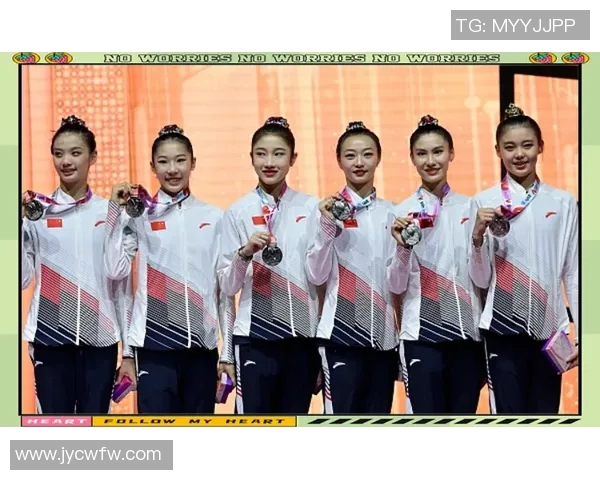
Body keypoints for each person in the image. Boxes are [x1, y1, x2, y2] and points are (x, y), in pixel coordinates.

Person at [104, 124, 235, 414]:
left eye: (180, 160)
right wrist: (115, 211)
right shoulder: (140, 215)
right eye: (163, 162)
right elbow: (115, 270)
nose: (172, 169)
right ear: (152, 167)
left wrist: (227, 354)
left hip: (202, 351)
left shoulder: (215, 217)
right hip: (154, 349)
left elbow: (224, 291)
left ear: (193, 163)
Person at [468, 104, 579, 414]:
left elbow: (573, 273)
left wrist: (583, 334)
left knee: (545, 417)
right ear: (498, 151)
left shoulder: (563, 202)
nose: (519, 154)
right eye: (510, 147)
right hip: (502, 330)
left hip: (550, 330)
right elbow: (479, 279)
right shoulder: (484, 201)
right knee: (507, 420)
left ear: (540, 147)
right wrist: (476, 238)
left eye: (527, 145)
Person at [21, 115, 132, 414]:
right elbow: (20, 280)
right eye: (58, 154)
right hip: (49, 339)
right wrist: (14, 225)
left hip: (100, 340)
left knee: (93, 428)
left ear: (92, 157)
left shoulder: (110, 210)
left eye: (75, 153)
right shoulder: (37, 213)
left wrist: (129, 350)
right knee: (54, 428)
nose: (66, 161)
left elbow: (119, 278)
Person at [217, 117, 322, 414]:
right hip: (254, 339)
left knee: (293, 427)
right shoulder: (237, 212)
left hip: (301, 339)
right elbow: (227, 285)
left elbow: (320, 277)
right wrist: (245, 253)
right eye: (261, 154)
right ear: (251, 157)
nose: (269, 162)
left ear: (293, 158)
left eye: (278, 154)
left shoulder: (312, 208)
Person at [387, 115, 485, 414]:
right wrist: (403, 248)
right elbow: (395, 286)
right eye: (422, 153)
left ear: (451, 154)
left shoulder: (472, 207)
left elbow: (482, 280)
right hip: (420, 338)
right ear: (412, 159)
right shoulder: (400, 212)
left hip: (466, 337)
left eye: (438, 151)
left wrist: (478, 240)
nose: (430, 161)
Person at [305, 121, 399, 414]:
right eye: (350, 155)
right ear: (339, 160)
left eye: (367, 154)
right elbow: (316, 275)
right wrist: (327, 227)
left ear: (378, 158)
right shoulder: (324, 211)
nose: (359, 162)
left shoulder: (393, 212)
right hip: (340, 339)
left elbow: (397, 282)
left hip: (384, 342)